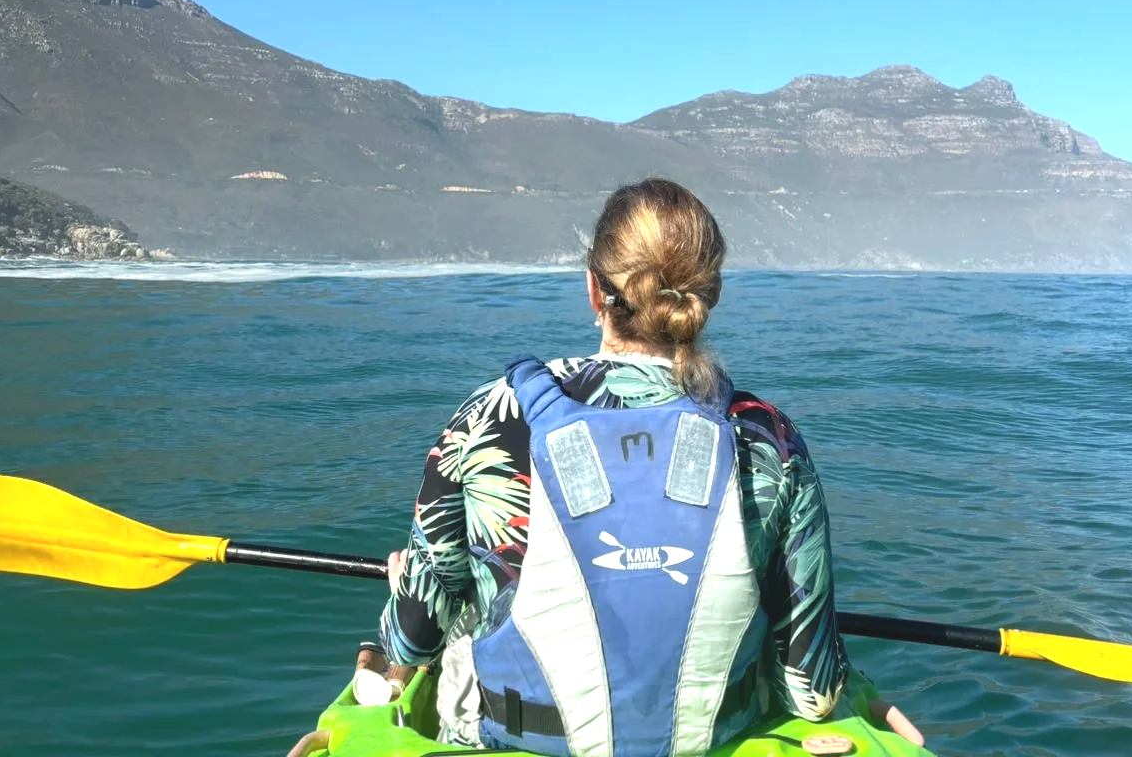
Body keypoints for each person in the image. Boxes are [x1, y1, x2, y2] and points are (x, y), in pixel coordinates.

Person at [353, 178, 923, 755]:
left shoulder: (491, 417)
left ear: (594, 290)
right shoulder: (769, 439)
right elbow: (813, 694)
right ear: (711, 294)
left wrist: (408, 590)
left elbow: (413, 640)